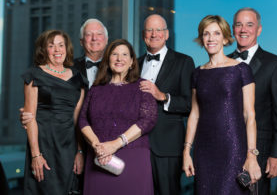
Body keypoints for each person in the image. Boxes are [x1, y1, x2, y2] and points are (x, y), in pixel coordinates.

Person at [183, 15, 261, 194]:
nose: (211, 38)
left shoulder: (241, 70)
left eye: (216, 33)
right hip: (204, 151)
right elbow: (194, 114)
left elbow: (250, 116)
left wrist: (251, 155)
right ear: (201, 39)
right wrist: (186, 151)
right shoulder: (197, 74)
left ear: (225, 38)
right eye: (206, 34)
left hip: (233, 148)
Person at [78, 39, 157, 195]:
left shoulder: (142, 86)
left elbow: (148, 120)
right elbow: (82, 119)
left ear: (132, 62)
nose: (119, 58)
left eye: (124, 54)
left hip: (132, 158)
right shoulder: (96, 88)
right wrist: (97, 146)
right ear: (108, 60)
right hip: (99, 158)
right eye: (114, 54)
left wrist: (115, 144)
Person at [228, 7, 277, 194]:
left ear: (259, 29)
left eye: (249, 24)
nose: (243, 29)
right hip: (224, 148)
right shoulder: (223, 63)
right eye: (239, 25)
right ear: (233, 29)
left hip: (259, 153)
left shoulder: (276, 64)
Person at [21, 30, 87, 194]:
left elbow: (77, 117)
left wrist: (79, 151)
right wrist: (36, 155)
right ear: (44, 50)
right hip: (44, 144)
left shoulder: (78, 78)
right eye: (51, 46)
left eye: (61, 45)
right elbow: (30, 117)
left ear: (67, 48)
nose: (57, 50)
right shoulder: (34, 75)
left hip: (69, 147)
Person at [138, 14, 195, 195]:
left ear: (167, 34)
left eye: (159, 30)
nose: (154, 34)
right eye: (149, 30)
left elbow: (189, 104)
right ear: (143, 35)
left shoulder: (184, 62)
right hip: (136, 144)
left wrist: (162, 96)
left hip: (167, 146)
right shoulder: (134, 64)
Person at [74, 18, 109, 88]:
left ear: (106, 40)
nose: (94, 38)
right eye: (89, 34)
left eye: (99, 34)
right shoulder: (71, 67)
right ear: (81, 41)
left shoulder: (116, 66)